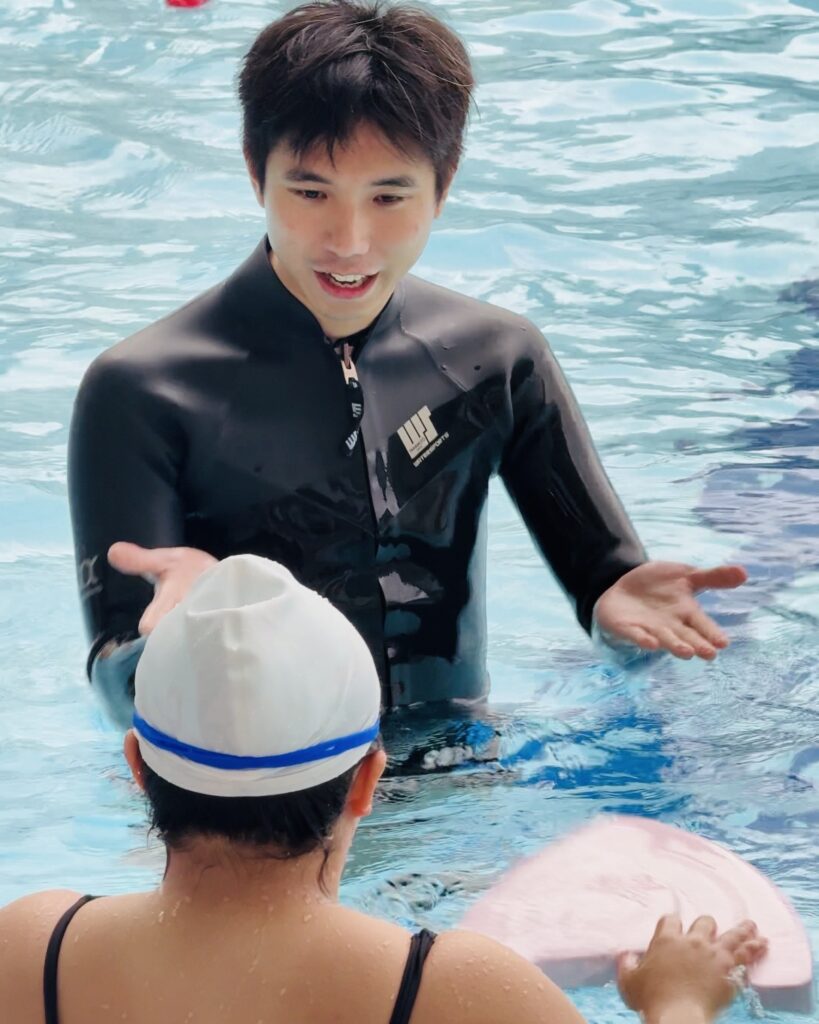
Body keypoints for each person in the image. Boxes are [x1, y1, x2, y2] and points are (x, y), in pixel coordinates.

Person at [68, 0, 748, 728]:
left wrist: (622, 632)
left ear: (443, 186)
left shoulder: (497, 359)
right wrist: (193, 633)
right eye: (310, 192)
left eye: (389, 196)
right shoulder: (143, 390)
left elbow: (615, 591)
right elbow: (120, 687)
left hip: (460, 766)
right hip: (257, 788)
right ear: (254, 172)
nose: (349, 241)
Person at [0, 555, 766, 1024]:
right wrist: (676, 1002)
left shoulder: (32, 947)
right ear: (368, 779)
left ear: (137, 767)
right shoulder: (456, 991)